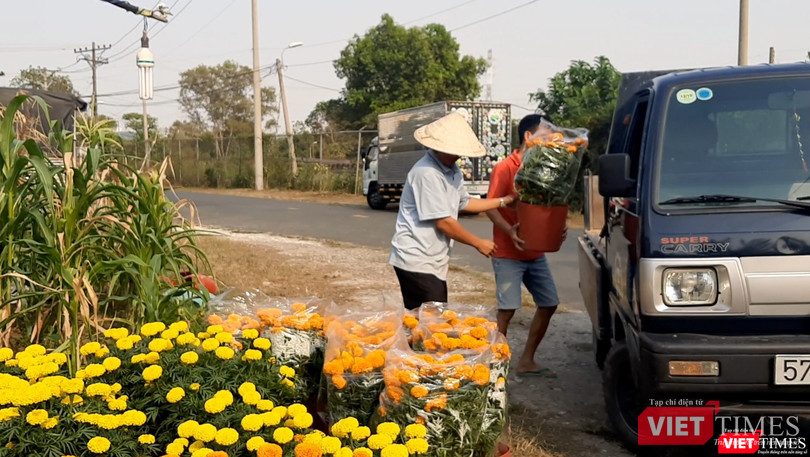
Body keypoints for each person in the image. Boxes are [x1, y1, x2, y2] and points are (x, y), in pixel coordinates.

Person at [389, 112, 516, 310]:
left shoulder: (451, 169)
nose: (458, 155)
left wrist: (503, 201)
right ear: (438, 147)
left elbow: (464, 203)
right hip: (416, 259)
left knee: (425, 322)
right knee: (432, 323)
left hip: (433, 259)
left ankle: (411, 341)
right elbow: (444, 222)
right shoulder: (427, 173)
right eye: (453, 150)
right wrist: (478, 242)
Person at [485, 113, 565, 377]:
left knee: (549, 302)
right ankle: (494, 364)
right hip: (508, 252)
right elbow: (491, 206)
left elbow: (547, 207)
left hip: (536, 252)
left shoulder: (544, 168)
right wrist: (509, 230)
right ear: (528, 137)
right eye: (545, 135)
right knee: (507, 309)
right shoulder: (506, 167)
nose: (550, 141)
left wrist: (557, 226)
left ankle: (526, 360)